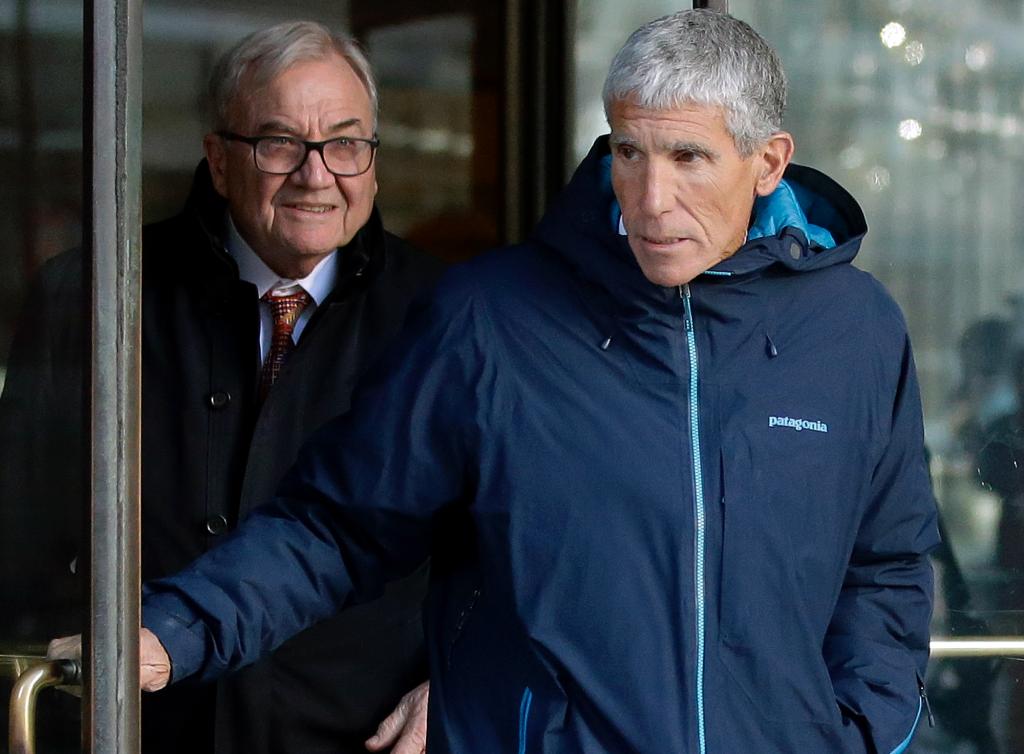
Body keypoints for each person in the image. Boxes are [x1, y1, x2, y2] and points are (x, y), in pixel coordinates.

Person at [130, 10, 939, 752]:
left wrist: (860, 734)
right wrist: (177, 629)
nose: (652, 200)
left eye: (688, 157)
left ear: (769, 163)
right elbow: (340, 524)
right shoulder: (492, 320)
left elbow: (888, 563)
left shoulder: (855, 331)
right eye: (629, 152)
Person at [2, 21, 442, 754]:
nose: (315, 174)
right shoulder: (94, 293)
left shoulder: (443, 314)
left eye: (345, 143)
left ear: (373, 161)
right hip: (135, 731)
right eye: (279, 144)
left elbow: (505, 558)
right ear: (218, 158)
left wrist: (451, 687)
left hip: (355, 737)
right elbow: (18, 545)